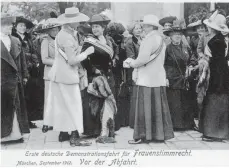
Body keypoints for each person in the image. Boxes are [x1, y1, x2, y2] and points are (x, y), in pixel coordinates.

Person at [45, 7, 94, 146]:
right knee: (74, 105)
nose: (79, 23)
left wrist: (78, 48)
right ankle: (74, 136)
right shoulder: (66, 36)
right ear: (70, 21)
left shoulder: (65, 33)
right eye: (77, 20)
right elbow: (72, 60)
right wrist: (87, 53)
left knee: (62, 105)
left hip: (59, 75)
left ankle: (63, 133)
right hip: (67, 76)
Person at [124, 15, 174, 144]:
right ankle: (158, 134)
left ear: (150, 26)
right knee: (157, 106)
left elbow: (142, 60)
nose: (142, 28)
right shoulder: (161, 39)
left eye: (145, 25)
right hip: (158, 76)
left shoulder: (148, 40)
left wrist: (131, 63)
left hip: (146, 77)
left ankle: (143, 135)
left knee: (144, 107)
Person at [81, 13, 116, 137]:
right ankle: (94, 130)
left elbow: (113, 54)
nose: (95, 29)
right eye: (93, 26)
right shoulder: (89, 41)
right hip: (96, 76)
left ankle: (107, 127)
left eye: (97, 26)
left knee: (108, 101)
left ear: (103, 27)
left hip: (109, 74)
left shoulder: (108, 40)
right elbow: (83, 59)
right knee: (95, 102)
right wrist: (93, 70)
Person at [198, 10, 229, 142]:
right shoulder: (222, 40)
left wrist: (203, 76)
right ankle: (221, 132)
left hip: (216, 73)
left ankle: (214, 133)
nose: (207, 28)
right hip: (224, 72)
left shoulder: (213, 42)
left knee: (214, 101)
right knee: (222, 100)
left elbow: (208, 61)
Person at [164, 20, 198, 131]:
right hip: (172, 77)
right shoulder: (167, 49)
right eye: (174, 35)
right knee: (175, 102)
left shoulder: (185, 47)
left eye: (179, 34)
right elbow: (162, 64)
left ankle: (188, 124)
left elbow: (192, 57)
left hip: (185, 77)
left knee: (186, 101)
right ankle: (176, 125)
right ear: (170, 36)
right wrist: (165, 77)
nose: (177, 36)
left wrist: (191, 65)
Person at [1, 14, 30, 143]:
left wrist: (25, 75)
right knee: (4, 107)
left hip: (15, 79)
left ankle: (16, 135)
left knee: (16, 107)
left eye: (10, 24)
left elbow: (22, 60)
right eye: (5, 24)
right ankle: (4, 135)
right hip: (2, 79)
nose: (9, 27)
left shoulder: (15, 40)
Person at [11, 17, 44, 129]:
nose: (23, 28)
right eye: (20, 25)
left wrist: (35, 62)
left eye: (24, 26)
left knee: (30, 95)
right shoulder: (13, 38)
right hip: (19, 68)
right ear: (15, 27)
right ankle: (20, 121)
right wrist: (29, 56)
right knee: (21, 95)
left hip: (31, 70)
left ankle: (29, 119)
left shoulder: (29, 38)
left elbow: (34, 52)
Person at [40, 18, 61, 133]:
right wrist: (59, 62)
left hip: (60, 73)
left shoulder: (60, 40)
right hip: (49, 73)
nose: (55, 31)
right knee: (48, 99)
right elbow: (44, 59)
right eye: (52, 29)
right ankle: (46, 123)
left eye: (57, 29)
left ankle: (55, 121)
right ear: (48, 31)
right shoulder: (45, 41)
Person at [125, 21, 143, 128]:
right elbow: (130, 57)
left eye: (140, 28)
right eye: (136, 29)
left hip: (142, 69)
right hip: (134, 70)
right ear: (132, 31)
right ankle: (133, 121)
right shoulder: (129, 42)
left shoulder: (142, 40)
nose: (139, 30)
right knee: (135, 94)